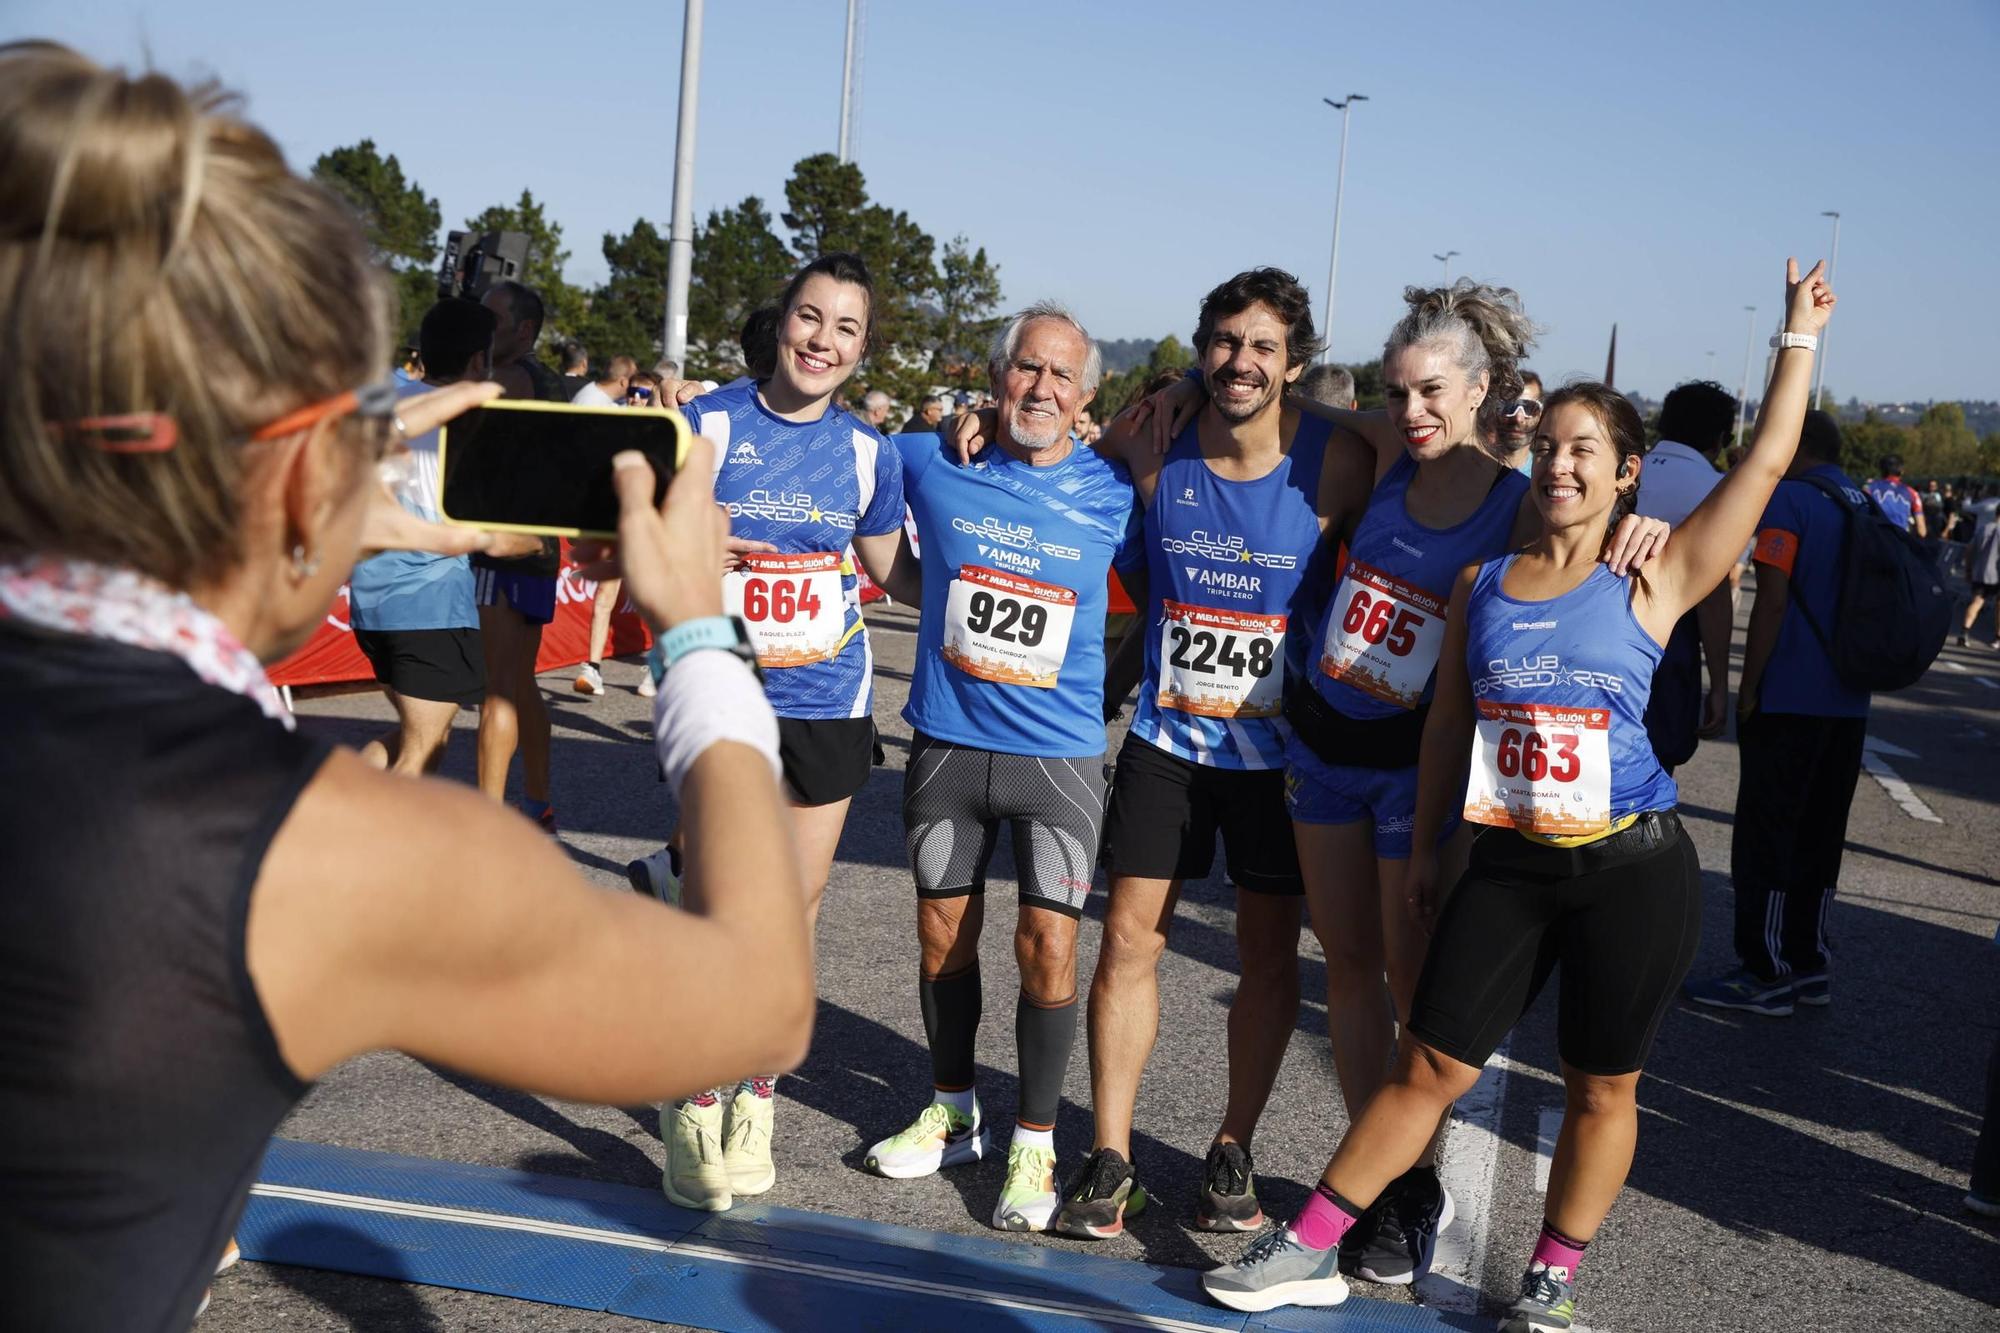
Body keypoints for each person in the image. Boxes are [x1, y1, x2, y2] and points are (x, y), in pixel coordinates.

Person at [0, 43, 815, 1331]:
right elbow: (756, 1004)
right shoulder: (306, 847)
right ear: (288, 471)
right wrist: (700, 638)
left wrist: (309, 479)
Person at [1203, 257, 1836, 1332]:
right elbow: (1447, 725)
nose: (1559, 467)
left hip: (1629, 869)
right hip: (1504, 861)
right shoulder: (1481, 581)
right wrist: (1442, 852)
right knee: (1428, 1062)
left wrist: (1797, 339)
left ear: (1625, 472)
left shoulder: (1656, 575)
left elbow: (1768, 461)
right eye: (1547, 448)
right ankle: (1306, 1243)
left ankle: (1550, 1280)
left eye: (1584, 452)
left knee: (1600, 1087)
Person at [1114, 282, 1667, 1282]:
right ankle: (1383, 1191)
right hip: (1322, 752)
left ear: (1483, 393)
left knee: (1421, 1005)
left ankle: (1401, 1191)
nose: (1412, 412)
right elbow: (1285, 403)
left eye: (1432, 394)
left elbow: (1589, 539)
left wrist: (1646, 523)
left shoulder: (1516, 503)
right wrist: (1182, 380)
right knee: (1349, 974)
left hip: (1413, 774)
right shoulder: (1374, 452)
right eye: (1397, 392)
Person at [1052, 270, 1357, 1244]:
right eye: (1223, 342)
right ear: (1201, 346)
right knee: (1128, 943)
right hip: (1167, 742)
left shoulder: (1335, 461)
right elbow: (1061, 453)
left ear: (1295, 362)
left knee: (1267, 956)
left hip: (1276, 761)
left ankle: (1232, 1144)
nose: (1240, 361)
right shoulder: (1155, 440)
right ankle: (1110, 1156)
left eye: (1263, 346)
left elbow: (1425, 444)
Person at [636, 252, 916, 1215]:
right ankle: (692, 1090)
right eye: (809, 317)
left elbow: (893, 569)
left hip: (829, 701)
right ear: (782, 319)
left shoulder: (871, 450)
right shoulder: (705, 422)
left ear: (862, 348)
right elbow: (638, 541)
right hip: (722, 691)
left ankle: (754, 1089)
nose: (822, 340)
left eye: (845, 328)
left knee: (795, 908)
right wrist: (697, 540)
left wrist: (1000, 568)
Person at [864, 302, 1143, 1235]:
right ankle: (952, 1111)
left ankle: (1033, 1138)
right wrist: (908, 572)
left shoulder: (1114, 490)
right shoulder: (935, 457)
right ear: (996, 378)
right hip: (947, 742)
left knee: (1049, 947)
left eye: (1063, 376)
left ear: (1089, 395)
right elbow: (854, 465)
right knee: (941, 937)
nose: (1042, 389)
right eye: (1027, 369)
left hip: (1057, 760)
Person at [1686, 406, 1865, 1017]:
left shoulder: (1790, 502)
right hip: (1848, 700)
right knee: (1821, 835)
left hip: (1790, 694)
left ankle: (1763, 971)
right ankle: (1809, 962)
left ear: (1795, 444)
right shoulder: (1860, 501)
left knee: (1767, 834)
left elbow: (1772, 601)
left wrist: (1748, 684)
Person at [352, 298, 525, 773]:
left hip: (371, 603)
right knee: (424, 748)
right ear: (477, 360)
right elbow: (496, 528)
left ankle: (333, 808)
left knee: (422, 736)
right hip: (428, 605)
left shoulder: (388, 403)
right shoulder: (473, 421)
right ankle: (369, 843)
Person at [473, 279, 567, 829]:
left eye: (493, 321)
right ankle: (537, 799)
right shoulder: (548, 379)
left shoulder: (503, 380)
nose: (483, 333)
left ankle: (488, 824)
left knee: (499, 689)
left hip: (503, 546)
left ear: (524, 329)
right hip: (541, 547)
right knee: (522, 682)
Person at [1636, 380, 1739, 770]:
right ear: (1720, 438)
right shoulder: (1717, 490)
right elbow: (1713, 598)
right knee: (1656, 765)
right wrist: (1718, 683)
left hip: (1593, 624)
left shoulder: (1623, 470)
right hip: (1669, 644)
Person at [1961, 495, 2000, 649]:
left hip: (1981, 571)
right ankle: (1998, 637)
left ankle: (1964, 632)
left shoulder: (1984, 528)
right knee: (1999, 605)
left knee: (1977, 601)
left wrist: (1968, 569)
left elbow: (1969, 549)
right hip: (1997, 574)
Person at [1866, 453, 1925, 537]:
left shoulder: (1869, 489)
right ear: (1901, 471)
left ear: (1882, 470)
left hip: (1876, 540)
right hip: (1900, 541)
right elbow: (1922, 531)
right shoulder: (1912, 492)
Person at [571, 354, 636, 407]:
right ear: (623, 382)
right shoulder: (592, 401)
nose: (634, 385)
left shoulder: (596, 396)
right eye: (633, 380)